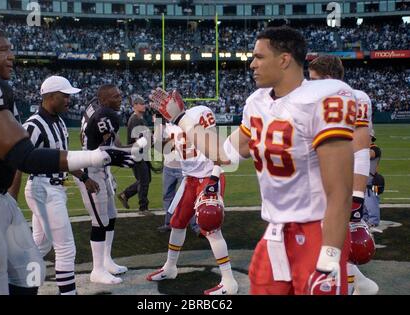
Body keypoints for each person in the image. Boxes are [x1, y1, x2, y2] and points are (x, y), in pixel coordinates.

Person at [150, 26, 355, 295]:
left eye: (259, 57)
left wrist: (328, 261)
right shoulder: (258, 103)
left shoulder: (323, 99)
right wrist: (181, 119)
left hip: (316, 229)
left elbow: (340, 191)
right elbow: (222, 152)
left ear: (284, 59)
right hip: (275, 232)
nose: (251, 63)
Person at [0, 26, 133, 295]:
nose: (11, 56)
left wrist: (84, 175)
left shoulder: (55, 120)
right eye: (3, 49)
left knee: (29, 267)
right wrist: (96, 156)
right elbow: (23, 157)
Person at [146, 108, 238, 295]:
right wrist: (157, 123)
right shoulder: (170, 125)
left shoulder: (198, 114)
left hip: (208, 176)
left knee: (210, 225)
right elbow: (160, 148)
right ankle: (170, 267)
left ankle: (229, 281)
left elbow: (216, 146)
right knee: (177, 223)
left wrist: (215, 177)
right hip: (190, 180)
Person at [308, 55, 379, 295]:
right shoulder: (315, 102)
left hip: (341, 186)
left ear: (328, 79)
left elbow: (360, 149)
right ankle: (362, 284)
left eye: (315, 79)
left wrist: (357, 201)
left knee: (332, 248)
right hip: (320, 183)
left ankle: (352, 286)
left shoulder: (356, 98)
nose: (310, 84)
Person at [21, 75, 99, 295]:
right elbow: (18, 160)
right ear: (50, 97)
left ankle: (25, 287)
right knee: (65, 249)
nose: (68, 100)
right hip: (43, 189)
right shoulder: (33, 125)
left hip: (54, 188)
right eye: (64, 96)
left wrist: (83, 177)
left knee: (40, 246)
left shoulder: (59, 122)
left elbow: (62, 159)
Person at [75, 85, 142, 285]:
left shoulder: (97, 108)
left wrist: (134, 147)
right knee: (100, 221)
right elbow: (107, 152)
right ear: (104, 100)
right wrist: (129, 153)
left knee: (111, 216)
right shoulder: (107, 115)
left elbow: (117, 146)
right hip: (91, 169)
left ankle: (106, 260)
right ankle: (97, 270)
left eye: (120, 94)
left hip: (101, 167)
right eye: (115, 96)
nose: (120, 98)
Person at [153, 115, 200, 235]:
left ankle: (195, 225)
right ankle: (169, 223)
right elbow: (158, 145)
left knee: (188, 198)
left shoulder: (184, 123)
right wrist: (158, 124)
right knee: (167, 196)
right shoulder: (164, 126)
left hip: (184, 168)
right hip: (169, 166)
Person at [118, 94, 152, 215]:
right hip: (137, 153)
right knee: (144, 180)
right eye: (142, 104)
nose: (144, 106)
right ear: (135, 106)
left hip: (141, 153)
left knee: (146, 179)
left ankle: (125, 194)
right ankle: (143, 208)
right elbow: (138, 138)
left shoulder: (140, 118)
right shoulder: (135, 119)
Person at [364, 131, 382, 227]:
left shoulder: (375, 149)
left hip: (373, 182)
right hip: (363, 181)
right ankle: (365, 220)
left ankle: (373, 222)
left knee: (372, 202)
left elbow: (368, 154)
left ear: (370, 137)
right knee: (362, 204)